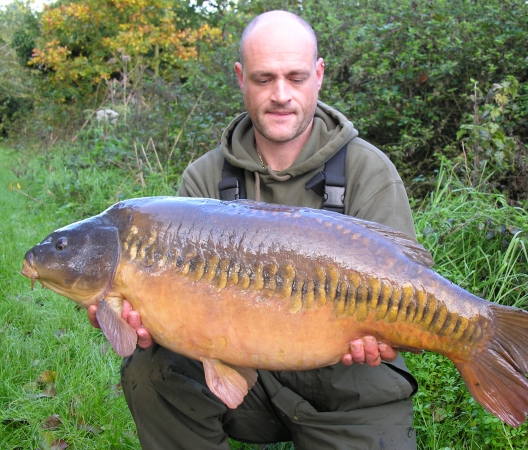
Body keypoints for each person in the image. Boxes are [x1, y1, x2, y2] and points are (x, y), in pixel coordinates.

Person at [89, 10, 419, 449]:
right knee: (150, 369)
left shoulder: (368, 170)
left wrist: (387, 332)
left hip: (351, 387)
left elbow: (406, 281)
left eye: (295, 77)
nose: (280, 94)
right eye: (264, 79)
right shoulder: (202, 181)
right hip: (247, 386)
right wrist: (139, 317)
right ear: (241, 78)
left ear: (318, 76)